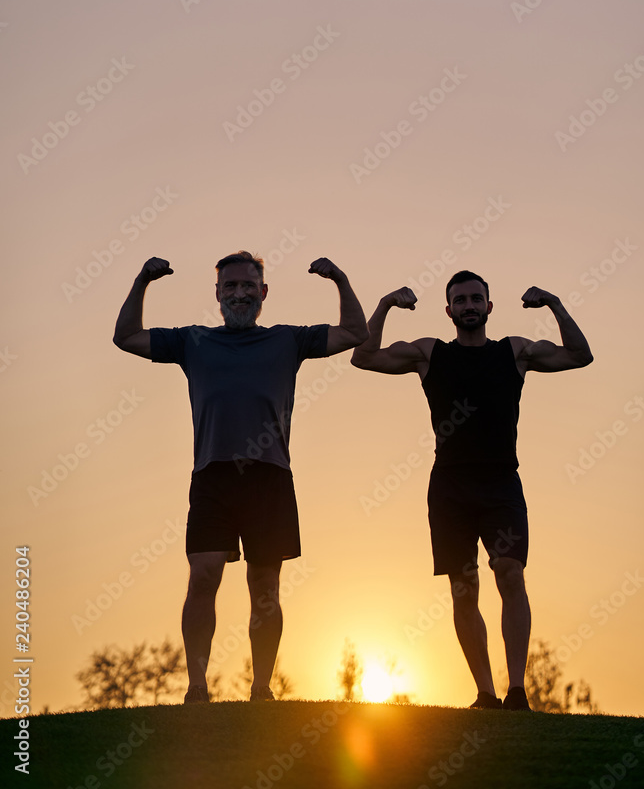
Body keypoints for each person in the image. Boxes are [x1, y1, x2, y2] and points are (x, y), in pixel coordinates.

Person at [113, 251, 367, 703]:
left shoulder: (288, 340)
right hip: (213, 475)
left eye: (248, 286)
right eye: (229, 286)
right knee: (204, 575)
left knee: (264, 585)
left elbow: (354, 333)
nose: (239, 293)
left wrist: (340, 279)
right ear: (217, 294)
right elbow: (126, 336)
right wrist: (143, 279)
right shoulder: (193, 340)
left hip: (270, 477)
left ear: (263, 293)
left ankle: (263, 688)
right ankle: (196, 687)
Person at [351, 269, 593, 711]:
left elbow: (580, 355)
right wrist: (385, 304)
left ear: (489, 306)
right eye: (460, 300)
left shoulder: (514, 352)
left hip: (501, 483)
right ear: (448, 310)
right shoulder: (430, 353)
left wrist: (554, 303)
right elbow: (364, 357)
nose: (468, 305)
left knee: (510, 572)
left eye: (475, 298)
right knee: (464, 588)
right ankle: (484, 692)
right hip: (449, 488)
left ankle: (516, 690)